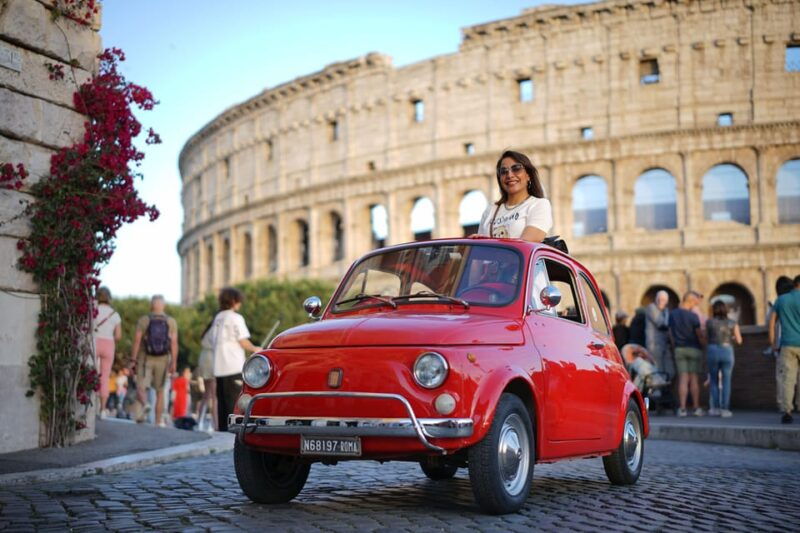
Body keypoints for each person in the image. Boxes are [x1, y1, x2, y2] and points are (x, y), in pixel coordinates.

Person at [210, 287, 261, 431]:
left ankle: (223, 430)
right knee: (235, 402)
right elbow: (242, 340)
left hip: (218, 367)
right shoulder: (235, 318)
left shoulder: (217, 318)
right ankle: (234, 432)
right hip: (233, 366)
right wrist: (255, 349)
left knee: (222, 403)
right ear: (233, 301)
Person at [476, 150, 553, 242]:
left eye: (516, 168)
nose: (509, 175)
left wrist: (487, 242)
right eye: (503, 171)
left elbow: (526, 244)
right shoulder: (490, 210)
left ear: (528, 175)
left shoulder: (539, 205)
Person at [130, 295, 178, 427]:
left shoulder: (144, 320)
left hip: (145, 357)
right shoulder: (171, 321)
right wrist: (174, 362)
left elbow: (137, 340)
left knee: (141, 387)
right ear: (163, 306)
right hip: (163, 359)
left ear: (151, 305)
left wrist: (133, 360)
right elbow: (174, 343)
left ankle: (143, 409)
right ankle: (158, 421)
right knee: (160, 392)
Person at [669, 291, 706, 417]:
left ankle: (682, 409)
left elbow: (670, 333)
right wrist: (703, 345)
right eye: (695, 302)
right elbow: (699, 334)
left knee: (683, 378)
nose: (695, 305)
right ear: (690, 301)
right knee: (694, 379)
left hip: (679, 349)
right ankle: (696, 408)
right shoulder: (693, 316)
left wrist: (674, 346)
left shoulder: (673, 314)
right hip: (694, 348)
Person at [769, 275, 800, 424]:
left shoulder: (781, 300)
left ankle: (787, 411)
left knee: (788, 379)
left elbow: (772, 323)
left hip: (787, 344)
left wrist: (773, 343)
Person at [706, 300, 742, 417]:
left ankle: (715, 408)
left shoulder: (709, 322)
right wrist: (731, 338)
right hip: (727, 350)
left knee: (714, 380)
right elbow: (739, 340)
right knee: (726, 381)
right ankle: (725, 409)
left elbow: (706, 337)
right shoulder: (732, 322)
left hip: (712, 350)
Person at [92, 286, 121, 419]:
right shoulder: (114, 314)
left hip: (95, 342)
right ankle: (103, 409)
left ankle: (90, 406)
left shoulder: (93, 310)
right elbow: (118, 336)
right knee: (105, 377)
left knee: (90, 373)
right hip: (109, 344)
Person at [196, 313, 218, 431]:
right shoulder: (216, 330)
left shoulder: (207, 331)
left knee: (206, 395)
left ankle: (199, 421)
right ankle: (215, 424)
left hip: (203, 359)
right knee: (214, 396)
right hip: (212, 360)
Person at [645, 290, 672, 378]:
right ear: (656, 299)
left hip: (664, 344)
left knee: (668, 369)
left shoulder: (665, 311)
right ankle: (658, 386)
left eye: (663, 300)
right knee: (657, 368)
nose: (661, 301)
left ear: (667, 301)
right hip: (654, 344)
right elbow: (661, 324)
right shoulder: (651, 308)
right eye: (659, 299)